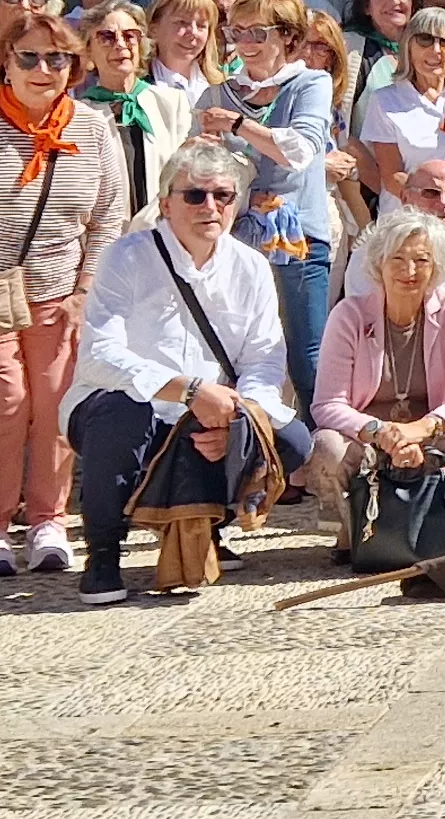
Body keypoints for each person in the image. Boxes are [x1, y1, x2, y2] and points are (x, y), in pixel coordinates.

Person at [63, 142, 294, 603]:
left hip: (209, 413)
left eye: (223, 196)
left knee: (290, 441)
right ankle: (103, 554)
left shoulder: (251, 267)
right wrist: (187, 391)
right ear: (166, 204)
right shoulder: (126, 257)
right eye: (195, 196)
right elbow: (98, 356)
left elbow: (264, 362)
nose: (210, 206)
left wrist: (240, 418)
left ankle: (212, 528)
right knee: (120, 414)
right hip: (133, 405)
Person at [0, 8, 129, 581]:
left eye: (57, 59)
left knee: (56, 408)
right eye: (28, 57)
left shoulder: (93, 127)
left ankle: (50, 520)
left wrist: (88, 290)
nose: (43, 69)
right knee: (3, 408)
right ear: (4, 62)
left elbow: (108, 217)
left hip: (61, 292)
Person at [304, 206, 445, 547]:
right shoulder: (349, 315)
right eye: (397, 259)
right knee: (326, 445)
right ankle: (358, 529)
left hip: (433, 438)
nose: (409, 270)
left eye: (422, 261)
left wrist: (424, 428)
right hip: (370, 441)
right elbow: (327, 404)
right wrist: (382, 433)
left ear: (437, 266)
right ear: (378, 264)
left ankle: (443, 521)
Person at [200, 0, 345, 405]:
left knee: (308, 356)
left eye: (257, 32)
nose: (245, 43)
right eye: (237, 31)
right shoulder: (219, 93)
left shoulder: (310, 84)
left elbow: (301, 151)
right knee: (237, 354)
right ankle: (244, 455)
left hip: (297, 239)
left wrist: (237, 126)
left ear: (289, 37)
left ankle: (321, 456)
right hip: (234, 240)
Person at [75, 0, 194, 226]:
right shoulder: (79, 115)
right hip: (106, 243)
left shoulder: (172, 103)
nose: (120, 44)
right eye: (107, 37)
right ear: (88, 51)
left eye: (130, 36)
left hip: (163, 236)